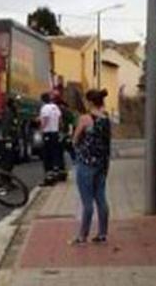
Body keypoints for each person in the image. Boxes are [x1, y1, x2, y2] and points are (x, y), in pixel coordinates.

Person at [69, 89, 112, 245]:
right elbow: (107, 143)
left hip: (86, 164)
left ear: (91, 102)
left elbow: (75, 140)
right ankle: (102, 234)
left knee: (87, 202)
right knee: (101, 198)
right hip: (102, 164)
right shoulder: (106, 119)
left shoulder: (86, 119)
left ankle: (82, 236)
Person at [38, 92, 62, 186]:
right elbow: (60, 119)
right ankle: (55, 173)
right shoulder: (55, 107)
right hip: (55, 133)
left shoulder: (45, 108)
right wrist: (58, 128)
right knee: (54, 153)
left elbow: (45, 119)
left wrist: (41, 129)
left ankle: (48, 177)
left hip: (48, 133)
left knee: (47, 155)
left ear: (42, 100)